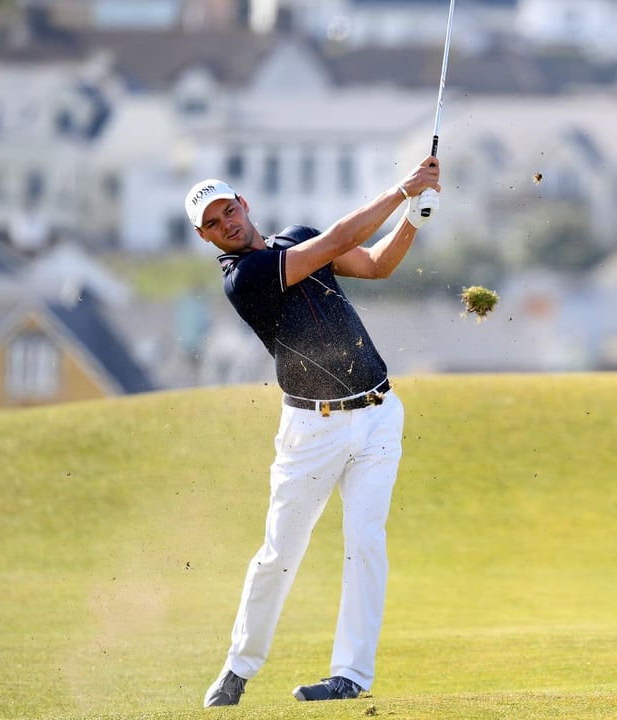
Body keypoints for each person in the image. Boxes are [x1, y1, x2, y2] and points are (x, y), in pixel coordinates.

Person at [188, 155, 442, 707]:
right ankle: (238, 668)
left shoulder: (295, 238)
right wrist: (403, 189)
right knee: (280, 551)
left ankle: (350, 676)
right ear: (206, 238)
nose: (226, 223)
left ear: (244, 204)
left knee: (366, 545)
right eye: (212, 223)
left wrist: (415, 218)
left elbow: (375, 265)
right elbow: (330, 245)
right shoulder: (244, 278)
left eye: (228, 209)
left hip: (377, 413)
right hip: (311, 429)